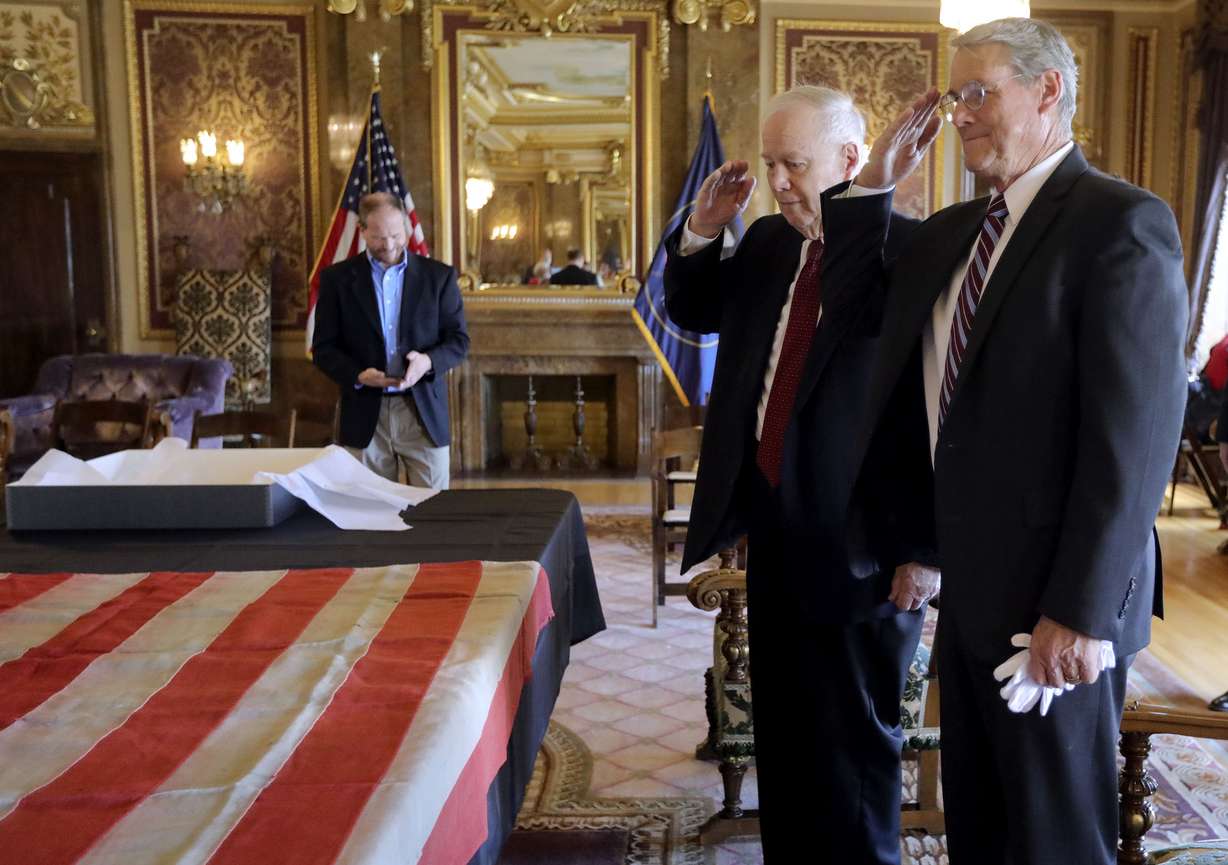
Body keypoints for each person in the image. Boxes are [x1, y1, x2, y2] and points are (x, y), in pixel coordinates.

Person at [827, 18, 1187, 863]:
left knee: (1054, 838)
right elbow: (847, 310)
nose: (961, 115)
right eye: (957, 97)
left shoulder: (1119, 223)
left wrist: (1081, 607)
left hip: (1056, 608)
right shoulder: (954, 232)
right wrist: (877, 180)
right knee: (981, 828)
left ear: (1049, 91)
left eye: (980, 92)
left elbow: (1131, 438)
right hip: (968, 587)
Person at [663, 85, 938, 863]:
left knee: (855, 744)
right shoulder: (766, 246)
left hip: (868, 547)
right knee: (786, 733)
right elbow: (694, 309)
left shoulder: (906, 254)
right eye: (773, 162)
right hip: (776, 529)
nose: (779, 181)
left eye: (796, 164)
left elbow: (932, 419)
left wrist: (926, 548)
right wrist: (705, 230)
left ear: (852, 161)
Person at [312, 191, 469, 488]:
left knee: (433, 513)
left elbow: (459, 341)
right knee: (370, 513)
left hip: (422, 412)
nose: (390, 245)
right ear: (362, 231)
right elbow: (323, 349)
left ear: (408, 228)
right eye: (379, 238)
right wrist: (357, 375)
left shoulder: (440, 277)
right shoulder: (337, 279)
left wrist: (427, 362)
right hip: (364, 413)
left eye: (397, 235)